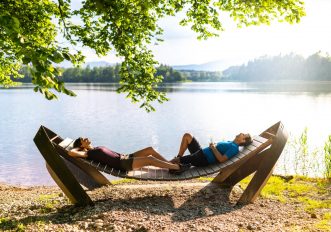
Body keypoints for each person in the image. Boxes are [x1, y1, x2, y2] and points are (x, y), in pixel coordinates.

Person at [68, 137, 190, 174]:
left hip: (124, 157)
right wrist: (78, 148)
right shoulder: (87, 153)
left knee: (149, 150)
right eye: (83, 139)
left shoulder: (94, 149)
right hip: (122, 164)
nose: (86, 138)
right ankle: (176, 168)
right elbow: (71, 153)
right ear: (82, 146)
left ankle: (169, 165)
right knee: (150, 159)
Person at [171, 132, 252, 167]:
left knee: (176, 160)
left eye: (244, 134)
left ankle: (165, 164)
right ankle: (178, 160)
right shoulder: (231, 143)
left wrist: (213, 148)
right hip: (201, 153)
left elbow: (221, 159)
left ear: (243, 140)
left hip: (203, 159)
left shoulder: (234, 148)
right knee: (187, 136)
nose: (242, 133)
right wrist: (214, 146)